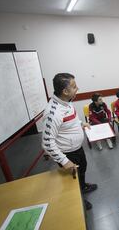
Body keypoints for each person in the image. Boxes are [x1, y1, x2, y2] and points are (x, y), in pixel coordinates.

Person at [41, 73, 97, 210]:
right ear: (65, 91)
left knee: (82, 168)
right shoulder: (52, 113)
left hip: (77, 148)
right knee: (72, 180)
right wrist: (64, 161)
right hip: (67, 153)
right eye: (74, 86)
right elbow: (47, 143)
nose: (77, 88)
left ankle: (82, 187)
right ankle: (78, 200)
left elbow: (70, 120)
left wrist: (80, 123)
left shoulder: (67, 102)